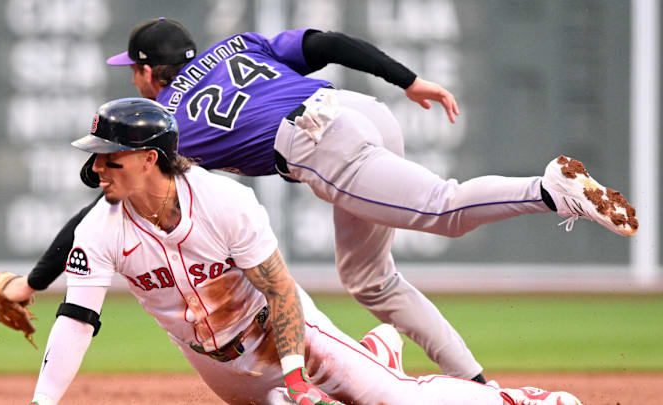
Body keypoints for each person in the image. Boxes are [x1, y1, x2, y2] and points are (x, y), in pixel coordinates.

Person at [1, 17, 637, 385]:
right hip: (356, 109)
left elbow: (102, 208)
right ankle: (475, 385)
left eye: (133, 70)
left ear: (144, 73)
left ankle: (549, 188)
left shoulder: (164, 123)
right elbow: (326, 44)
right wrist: (408, 80)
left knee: (439, 210)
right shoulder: (238, 45)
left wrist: (34, 282)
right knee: (368, 278)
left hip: (314, 143)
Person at [29, 97, 583, 405]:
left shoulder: (223, 202)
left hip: (285, 335)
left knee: (395, 401)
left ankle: (526, 402)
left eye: (110, 156)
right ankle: (375, 350)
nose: (97, 167)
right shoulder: (100, 229)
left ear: (150, 159)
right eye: (97, 156)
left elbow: (279, 290)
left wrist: (294, 371)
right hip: (216, 364)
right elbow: (77, 320)